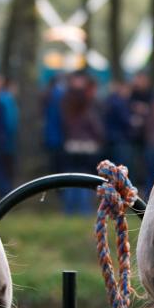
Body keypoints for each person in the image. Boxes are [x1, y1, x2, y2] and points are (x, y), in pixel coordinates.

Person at [59, 70, 103, 214]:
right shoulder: (88, 108)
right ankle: (84, 210)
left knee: (70, 177)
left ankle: (69, 210)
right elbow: (96, 127)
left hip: (71, 144)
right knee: (85, 178)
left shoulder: (66, 104)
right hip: (87, 146)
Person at [103, 79, 133, 168]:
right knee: (121, 164)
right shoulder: (120, 102)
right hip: (120, 138)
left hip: (111, 137)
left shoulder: (110, 100)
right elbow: (125, 120)